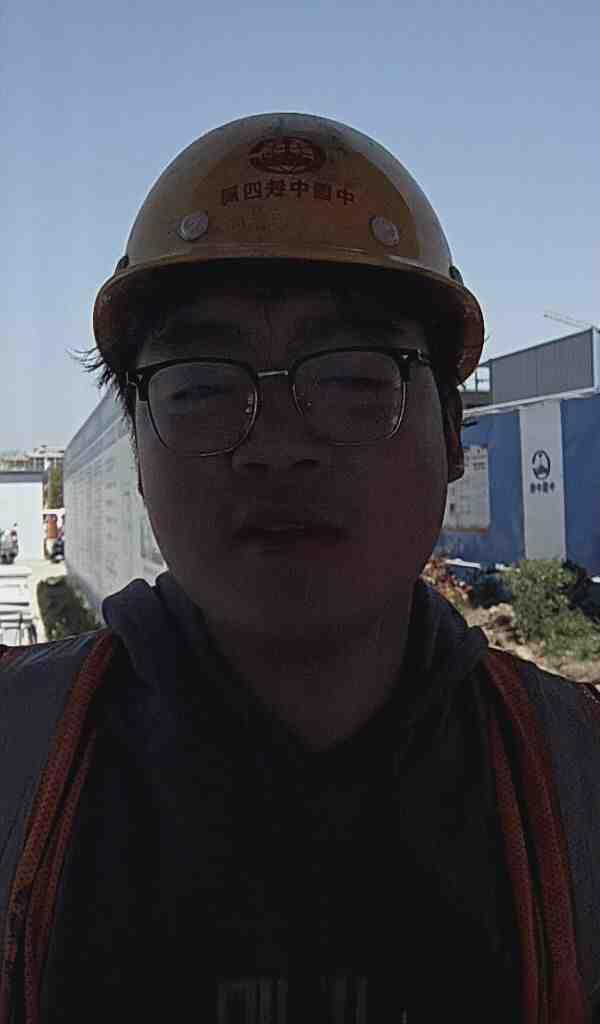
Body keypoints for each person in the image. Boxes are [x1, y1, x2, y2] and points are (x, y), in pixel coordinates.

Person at [1, 113, 599, 1023]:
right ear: (139, 452)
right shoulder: (19, 762)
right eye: (202, 385)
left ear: (451, 435)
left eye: (355, 378)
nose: (278, 448)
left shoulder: (576, 780)